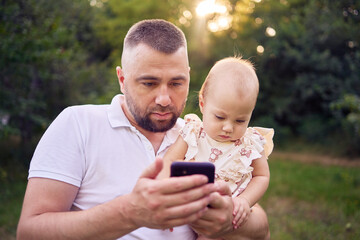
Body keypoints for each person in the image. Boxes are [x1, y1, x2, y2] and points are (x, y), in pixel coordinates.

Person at [17, 19, 270, 240]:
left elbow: (262, 229)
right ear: (122, 79)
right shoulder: (78, 123)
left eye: (176, 83)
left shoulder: (198, 134)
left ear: (190, 79)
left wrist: (231, 219)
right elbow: (29, 232)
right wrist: (129, 212)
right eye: (149, 83)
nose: (164, 98)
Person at [159, 57, 274, 239]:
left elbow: (262, 176)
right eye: (220, 117)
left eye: (240, 120)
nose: (228, 127)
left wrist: (245, 200)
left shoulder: (250, 143)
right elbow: (169, 161)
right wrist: (165, 196)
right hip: (194, 207)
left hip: (232, 211)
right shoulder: (193, 132)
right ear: (203, 104)